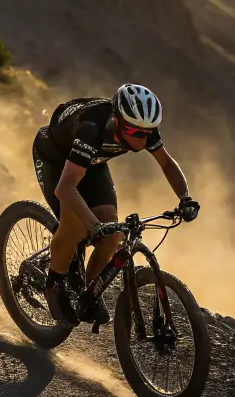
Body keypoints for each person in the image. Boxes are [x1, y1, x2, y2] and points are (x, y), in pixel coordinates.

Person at [32, 84, 199, 324]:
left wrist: (185, 198)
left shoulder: (143, 129)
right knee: (77, 225)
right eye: (135, 132)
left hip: (93, 163)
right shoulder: (91, 129)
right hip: (56, 159)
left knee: (113, 232)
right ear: (118, 121)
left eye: (147, 132)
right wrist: (91, 223)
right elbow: (64, 188)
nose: (142, 139)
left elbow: (166, 163)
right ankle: (54, 285)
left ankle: (90, 292)